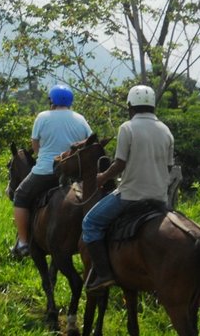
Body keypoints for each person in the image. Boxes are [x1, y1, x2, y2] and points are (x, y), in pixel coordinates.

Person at [81, 85, 174, 293]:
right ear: (152, 106)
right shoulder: (165, 130)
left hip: (131, 196)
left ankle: (104, 274)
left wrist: (102, 177)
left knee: (90, 223)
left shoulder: (127, 127)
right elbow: (168, 167)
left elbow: (120, 163)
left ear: (130, 106)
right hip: (160, 197)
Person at [11, 84, 92, 258]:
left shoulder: (42, 117)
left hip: (45, 172)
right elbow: (90, 143)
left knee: (20, 196)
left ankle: (23, 242)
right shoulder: (80, 119)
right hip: (73, 175)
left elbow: (35, 146)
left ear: (52, 101)